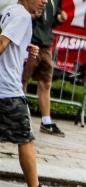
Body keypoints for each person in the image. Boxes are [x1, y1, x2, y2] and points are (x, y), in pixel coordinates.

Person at [1, 0, 67, 187]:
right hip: (8, 93)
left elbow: (7, 38)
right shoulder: (21, 15)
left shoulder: (10, 11)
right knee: (26, 138)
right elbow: (2, 43)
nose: (45, 2)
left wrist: (23, 45)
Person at [21, 0, 67, 137]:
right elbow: (23, 12)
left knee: (45, 82)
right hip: (31, 42)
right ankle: (20, 118)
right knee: (22, 81)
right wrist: (33, 16)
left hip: (46, 45)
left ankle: (46, 121)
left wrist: (59, 19)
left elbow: (51, 21)